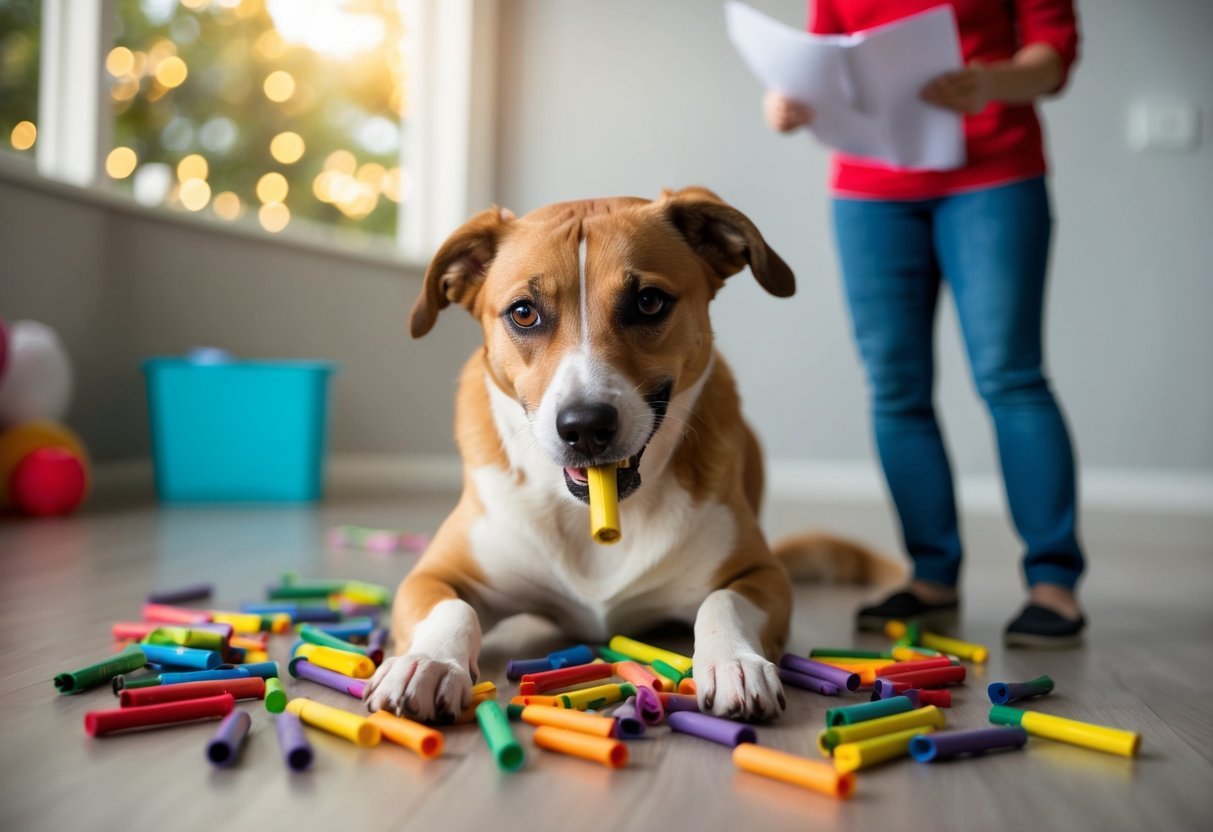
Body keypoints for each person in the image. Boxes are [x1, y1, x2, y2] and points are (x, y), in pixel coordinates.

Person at [764, 0, 1086, 646]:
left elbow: (1053, 54)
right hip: (868, 193)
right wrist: (788, 103)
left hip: (992, 177)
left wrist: (992, 81)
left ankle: (1053, 583)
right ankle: (931, 576)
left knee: (1010, 378)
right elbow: (822, 61)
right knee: (894, 388)